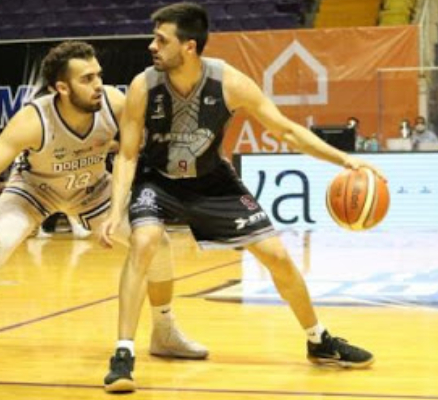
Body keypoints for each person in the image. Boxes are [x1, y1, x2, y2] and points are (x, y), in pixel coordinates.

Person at [99, 3, 385, 393]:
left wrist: (345, 159)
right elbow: (128, 155)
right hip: (158, 180)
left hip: (212, 182)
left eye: (161, 40)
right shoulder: (143, 86)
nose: (152, 46)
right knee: (144, 241)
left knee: (277, 256)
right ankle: (123, 354)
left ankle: (319, 340)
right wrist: (116, 210)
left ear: (189, 47)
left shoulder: (229, 82)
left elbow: (286, 131)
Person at [0, 41, 206, 378]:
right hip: (34, 190)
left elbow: (143, 147)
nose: (98, 84)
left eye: (99, 75)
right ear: (62, 88)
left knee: (158, 243)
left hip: (91, 191)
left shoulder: (113, 103)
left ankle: (163, 331)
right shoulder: (33, 120)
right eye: (87, 79)